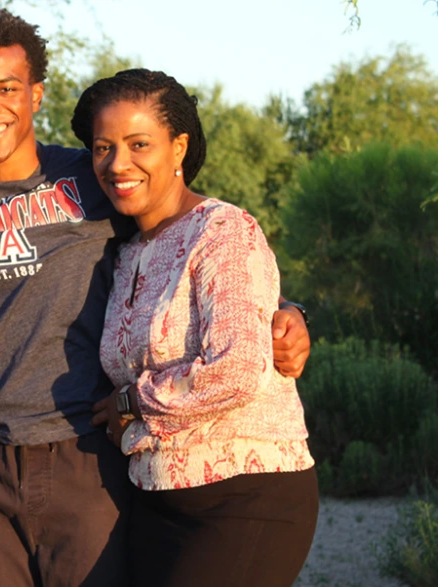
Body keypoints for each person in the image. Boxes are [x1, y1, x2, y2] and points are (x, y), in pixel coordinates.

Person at [0, 8, 314, 586]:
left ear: (36, 94)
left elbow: (207, 247)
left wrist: (287, 311)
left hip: (86, 452)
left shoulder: (95, 180)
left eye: (6, 88)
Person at [75, 68, 318, 586]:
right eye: (103, 147)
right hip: (154, 499)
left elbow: (236, 371)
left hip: (246, 496)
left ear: (179, 147)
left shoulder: (223, 231)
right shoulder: (125, 252)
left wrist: (131, 404)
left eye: (139, 143)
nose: (118, 164)